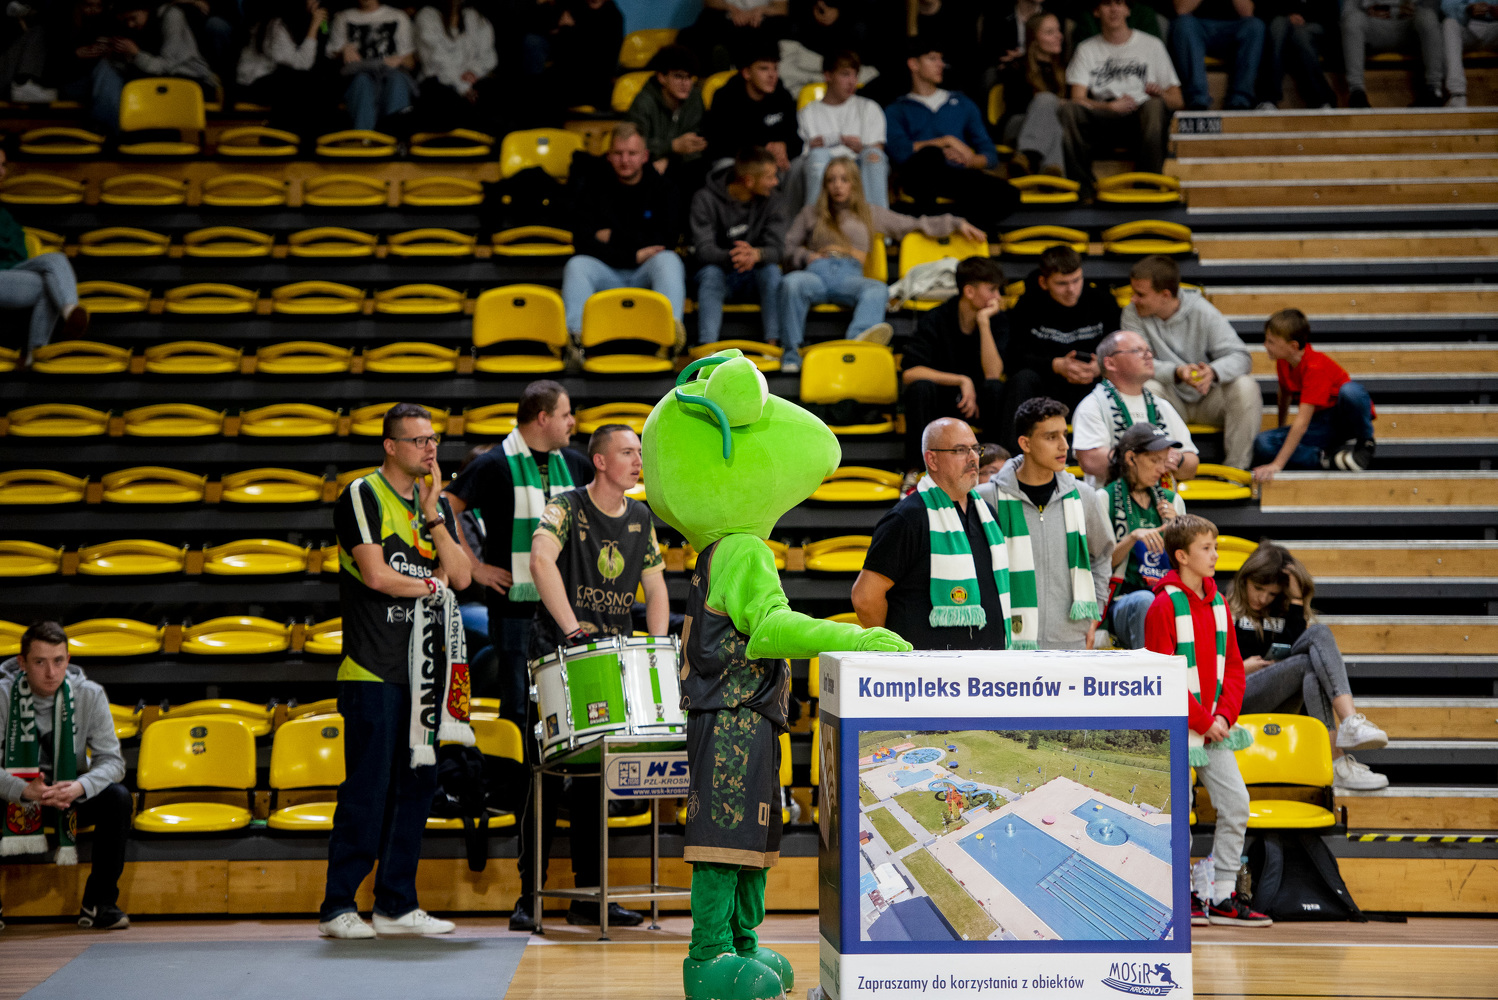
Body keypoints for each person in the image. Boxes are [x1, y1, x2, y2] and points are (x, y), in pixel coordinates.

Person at [320, 403, 471, 939]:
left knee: (417, 789)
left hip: (424, 676)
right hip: (373, 669)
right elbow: (377, 576)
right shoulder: (363, 494)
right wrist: (431, 585)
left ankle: (396, 904)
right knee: (368, 790)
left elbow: (462, 576)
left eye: (433, 440)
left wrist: (434, 516)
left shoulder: (436, 506)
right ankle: (338, 905)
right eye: (418, 441)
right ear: (390, 446)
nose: (430, 449)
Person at [512, 424, 669, 931]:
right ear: (600, 461)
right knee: (544, 777)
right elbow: (540, 561)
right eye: (627, 452)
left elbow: (656, 589)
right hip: (558, 654)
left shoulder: (641, 517)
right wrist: (572, 629)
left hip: (610, 661)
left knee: (597, 781)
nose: (637, 460)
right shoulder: (565, 505)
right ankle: (528, 897)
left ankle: (587, 895)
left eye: (639, 452)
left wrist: (656, 650)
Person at [1143, 514, 1272, 928]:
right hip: (1179, 731)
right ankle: (1176, 896)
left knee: (1236, 804)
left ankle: (1221, 894)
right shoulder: (1163, 605)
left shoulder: (1219, 603)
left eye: (1215, 547)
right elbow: (1161, 679)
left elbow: (1233, 667)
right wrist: (1202, 719)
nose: (1216, 555)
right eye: (1206, 548)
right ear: (1181, 556)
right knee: (1176, 817)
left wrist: (1223, 716)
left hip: (1215, 729)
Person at [444, 381, 594, 729]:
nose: (573, 422)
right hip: (513, 607)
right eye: (565, 414)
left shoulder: (575, 464)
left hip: (568, 602)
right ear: (543, 418)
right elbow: (443, 506)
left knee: (572, 706)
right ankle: (515, 767)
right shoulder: (494, 463)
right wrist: (474, 566)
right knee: (518, 705)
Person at [780, 155, 984, 368]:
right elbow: (787, 247)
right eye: (831, 180)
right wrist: (806, 256)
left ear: (854, 183)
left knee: (878, 290)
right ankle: (791, 356)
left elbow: (912, 224)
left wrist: (956, 223)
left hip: (850, 276)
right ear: (825, 185)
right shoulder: (811, 213)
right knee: (790, 283)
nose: (837, 185)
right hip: (816, 273)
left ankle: (856, 344)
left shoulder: (869, 213)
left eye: (844, 179)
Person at [0, 621, 129, 931]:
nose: (51, 672)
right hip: (16, 798)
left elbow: (112, 761)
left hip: (68, 797)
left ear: (68, 660)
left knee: (118, 799)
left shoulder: (89, 694)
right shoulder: (2, 696)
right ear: (22, 662)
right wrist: (21, 789)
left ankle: (100, 904)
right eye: (40, 662)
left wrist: (80, 787)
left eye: (58, 661)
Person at [1230, 543, 1391, 791]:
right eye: (1258, 588)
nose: (1262, 598)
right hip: (1236, 694)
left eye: (1271, 593)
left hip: (1279, 696)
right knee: (1308, 661)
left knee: (1318, 635)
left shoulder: (1283, 611)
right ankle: (1339, 752)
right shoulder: (1223, 608)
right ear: (1244, 580)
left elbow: (1297, 647)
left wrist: (1296, 601)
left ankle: (1348, 728)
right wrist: (1241, 668)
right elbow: (1204, 672)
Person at [853, 418, 1012, 650]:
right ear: (932, 460)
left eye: (975, 449)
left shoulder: (986, 513)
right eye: (960, 450)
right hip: (925, 669)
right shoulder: (907, 518)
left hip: (987, 667)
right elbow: (865, 598)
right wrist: (896, 649)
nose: (972, 458)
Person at [976, 397, 1111, 651]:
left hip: (1071, 639)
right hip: (1005, 640)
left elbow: (1102, 557)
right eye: (1051, 437)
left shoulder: (1085, 496)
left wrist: (1094, 617)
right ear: (1025, 443)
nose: (1063, 445)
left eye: (1064, 435)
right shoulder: (986, 498)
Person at [1123, 255, 1260, 471]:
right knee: (1147, 388)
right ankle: (1156, 472)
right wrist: (1177, 372)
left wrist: (1213, 372)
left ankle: (1235, 473)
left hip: (1207, 397)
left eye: (1140, 294)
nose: (1133, 299)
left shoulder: (1203, 311)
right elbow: (1135, 364)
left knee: (1246, 386)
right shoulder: (1132, 313)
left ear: (1165, 295)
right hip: (1169, 396)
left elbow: (1241, 356)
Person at [561, 123, 687, 341]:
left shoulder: (663, 189)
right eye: (618, 153)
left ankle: (669, 337)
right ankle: (576, 340)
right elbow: (582, 241)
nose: (625, 160)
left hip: (645, 269)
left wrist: (613, 236)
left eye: (632, 153)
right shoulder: (592, 188)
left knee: (669, 260)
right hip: (607, 270)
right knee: (577, 265)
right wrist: (633, 253)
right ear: (609, 156)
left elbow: (666, 240)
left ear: (645, 156)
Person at [884, 39, 1018, 234]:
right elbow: (899, 151)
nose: (941, 65)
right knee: (930, 155)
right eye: (932, 59)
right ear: (913, 64)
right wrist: (946, 142)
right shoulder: (897, 109)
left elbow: (990, 154)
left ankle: (960, 228)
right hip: (919, 177)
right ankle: (932, 229)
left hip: (955, 176)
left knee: (1009, 194)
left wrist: (969, 159)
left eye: (941, 59)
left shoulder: (962, 103)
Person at [997, 245, 1120, 451]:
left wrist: (1100, 367)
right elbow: (1013, 358)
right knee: (1021, 380)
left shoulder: (1102, 301)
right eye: (1062, 283)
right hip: (1047, 388)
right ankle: (1011, 457)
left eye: (1076, 280)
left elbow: (1120, 349)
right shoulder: (1027, 306)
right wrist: (1055, 365)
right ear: (1043, 282)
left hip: (1092, 385)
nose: (1071, 289)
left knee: (1122, 377)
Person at [899, 256, 1007, 476]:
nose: (998, 297)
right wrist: (961, 380)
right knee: (920, 388)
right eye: (992, 290)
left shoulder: (996, 320)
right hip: (941, 406)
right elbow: (910, 373)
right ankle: (915, 471)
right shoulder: (935, 319)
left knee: (996, 389)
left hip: (977, 405)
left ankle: (993, 469)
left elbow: (993, 373)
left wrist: (983, 323)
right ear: (969, 291)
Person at [1060, 0, 1182, 194]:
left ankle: (1147, 185)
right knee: (1068, 110)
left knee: (1154, 106)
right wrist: (1108, 107)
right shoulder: (1086, 48)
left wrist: (1160, 94)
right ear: (1097, 12)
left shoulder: (1152, 45)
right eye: (1107, 4)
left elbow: (1178, 101)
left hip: (1140, 117)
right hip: (1102, 118)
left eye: (1119, 3)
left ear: (1127, 10)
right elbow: (1077, 98)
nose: (1114, 9)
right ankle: (1083, 187)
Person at [1253, 308, 1376, 480]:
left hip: (1343, 418)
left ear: (1293, 346)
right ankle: (1324, 459)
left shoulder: (1315, 367)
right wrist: (1281, 427)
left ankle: (1366, 442)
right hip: (1320, 425)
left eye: (1271, 342)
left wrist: (1277, 465)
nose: (1265, 345)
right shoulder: (1283, 361)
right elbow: (1284, 394)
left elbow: (1302, 422)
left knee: (1350, 391)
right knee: (1263, 443)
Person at [1094, 423, 1186, 650]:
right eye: (1154, 461)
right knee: (1146, 601)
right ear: (1131, 458)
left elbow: (1186, 562)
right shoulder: (1104, 499)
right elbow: (1099, 565)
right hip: (1120, 600)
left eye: (1164, 461)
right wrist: (1132, 538)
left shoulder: (1173, 501)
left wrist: (1177, 528)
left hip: (1165, 594)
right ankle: (1149, 668)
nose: (1162, 469)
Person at [1072, 330, 1200, 488]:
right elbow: (1091, 461)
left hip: (1162, 502)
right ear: (1110, 363)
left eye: (1149, 351)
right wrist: (1152, 459)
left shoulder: (1162, 405)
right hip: (1112, 502)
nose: (1148, 356)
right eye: (1137, 350)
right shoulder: (1092, 405)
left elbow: (1191, 465)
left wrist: (1177, 459)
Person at [691, 146, 788, 351]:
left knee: (772, 271)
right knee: (710, 274)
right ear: (749, 180)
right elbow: (703, 250)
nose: (775, 182)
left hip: (754, 274)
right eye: (770, 177)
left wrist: (757, 254)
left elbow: (779, 249)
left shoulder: (774, 200)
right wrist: (736, 256)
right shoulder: (705, 199)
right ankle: (707, 350)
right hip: (721, 273)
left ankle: (773, 347)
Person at [0, 151, 88, 361]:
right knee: (49, 284)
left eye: (3, 165)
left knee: (56, 259)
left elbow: (16, 248)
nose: (2, 172)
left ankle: (70, 311)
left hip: (10, 270)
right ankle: (36, 355)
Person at [89, 0, 217, 134]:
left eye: (133, 18)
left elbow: (166, 65)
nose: (130, 24)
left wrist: (136, 54)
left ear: (145, 10)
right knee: (107, 66)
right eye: (126, 21)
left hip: (188, 78)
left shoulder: (171, 16)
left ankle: (115, 132)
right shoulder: (132, 27)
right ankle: (108, 129)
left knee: (136, 86)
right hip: (151, 78)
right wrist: (114, 53)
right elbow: (131, 66)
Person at [798, 49, 888, 208]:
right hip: (826, 168)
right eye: (845, 75)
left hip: (857, 166)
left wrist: (861, 148)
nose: (852, 82)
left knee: (874, 156)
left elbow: (877, 150)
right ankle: (815, 219)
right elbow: (806, 155)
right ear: (828, 75)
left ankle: (877, 219)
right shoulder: (808, 112)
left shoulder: (869, 107)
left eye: (855, 75)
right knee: (817, 156)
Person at [702, 41, 802, 171]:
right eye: (764, 68)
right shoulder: (725, 97)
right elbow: (719, 145)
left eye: (775, 68)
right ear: (747, 73)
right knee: (726, 165)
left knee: (801, 164)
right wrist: (762, 150)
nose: (772, 75)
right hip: (740, 164)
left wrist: (784, 146)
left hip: (775, 165)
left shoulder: (783, 96)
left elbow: (796, 140)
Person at [235, 0, 330, 135]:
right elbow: (303, 63)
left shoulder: (292, 23)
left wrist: (317, 26)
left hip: (271, 83)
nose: (316, 2)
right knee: (298, 81)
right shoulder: (274, 25)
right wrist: (314, 26)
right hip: (251, 86)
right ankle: (279, 135)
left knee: (314, 82)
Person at [997, 12, 1069, 178]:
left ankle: (1044, 169)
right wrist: (1054, 102)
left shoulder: (1064, 69)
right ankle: (1032, 156)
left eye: (1058, 30)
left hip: (1052, 129)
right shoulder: (1017, 67)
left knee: (1055, 127)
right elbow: (1017, 106)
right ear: (1034, 38)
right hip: (1017, 125)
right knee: (1046, 99)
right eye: (1050, 32)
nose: (1059, 36)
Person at [325, 0, 416, 132]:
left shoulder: (398, 16)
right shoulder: (343, 17)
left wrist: (399, 60)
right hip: (358, 76)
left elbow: (410, 62)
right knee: (362, 81)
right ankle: (364, 138)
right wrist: (342, 51)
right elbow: (332, 58)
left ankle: (396, 136)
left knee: (397, 80)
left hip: (389, 75)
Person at [522, 0, 623, 117]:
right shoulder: (574, 7)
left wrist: (569, 30)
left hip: (595, 79)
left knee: (552, 86)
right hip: (568, 73)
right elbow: (563, 48)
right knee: (541, 83)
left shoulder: (613, 15)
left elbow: (601, 56)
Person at [412, 0, 499, 132]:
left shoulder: (475, 17)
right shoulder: (427, 16)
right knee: (446, 100)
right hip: (439, 82)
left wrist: (474, 71)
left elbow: (488, 56)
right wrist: (463, 87)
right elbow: (435, 61)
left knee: (494, 94)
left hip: (472, 80)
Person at [1342, 0, 1445, 107]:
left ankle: (1433, 90)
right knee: (1352, 20)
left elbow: (1433, 10)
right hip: (1372, 27)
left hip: (1409, 27)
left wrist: (1414, 10)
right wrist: (1367, 11)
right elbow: (1347, 11)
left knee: (1428, 17)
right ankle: (1357, 92)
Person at [627, 45, 708, 180]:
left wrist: (669, 157)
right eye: (678, 76)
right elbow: (633, 146)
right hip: (649, 165)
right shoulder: (643, 103)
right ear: (661, 77)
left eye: (689, 77)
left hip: (682, 165)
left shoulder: (695, 98)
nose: (685, 83)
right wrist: (672, 146)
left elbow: (696, 144)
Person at [1170, 0, 1266, 110]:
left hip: (1233, 29)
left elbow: (1247, 12)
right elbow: (1181, 9)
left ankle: (1240, 101)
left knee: (1255, 26)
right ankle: (1197, 100)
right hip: (1196, 28)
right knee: (1183, 24)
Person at [1256, 0, 1338, 109]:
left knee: (1300, 34)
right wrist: (1289, 16)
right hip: (1280, 22)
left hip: (1314, 24)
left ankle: (1321, 100)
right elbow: (1263, 8)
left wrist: (1302, 19)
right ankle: (1267, 100)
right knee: (1278, 25)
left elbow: (1329, 11)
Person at [1442, 0, 1498, 107]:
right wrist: (1466, 9)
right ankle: (1457, 95)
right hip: (1467, 27)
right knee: (1449, 23)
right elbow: (1446, 6)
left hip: (1494, 28)